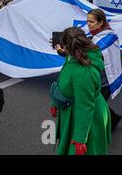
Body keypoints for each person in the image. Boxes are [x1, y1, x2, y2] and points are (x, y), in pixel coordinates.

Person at [50, 27, 111, 155]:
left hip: (84, 116)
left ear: (67, 46)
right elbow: (63, 76)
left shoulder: (84, 73)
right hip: (73, 110)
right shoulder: (73, 56)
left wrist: (80, 138)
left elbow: (85, 106)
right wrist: (55, 103)